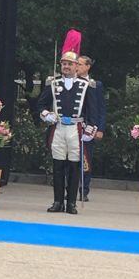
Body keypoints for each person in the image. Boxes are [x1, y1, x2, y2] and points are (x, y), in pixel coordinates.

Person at [35, 30, 98, 215]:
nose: (66, 67)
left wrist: (90, 130)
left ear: (76, 66)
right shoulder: (52, 83)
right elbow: (40, 104)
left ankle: (71, 203)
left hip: (77, 129)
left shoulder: (86, 85)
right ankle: (57, 201)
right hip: (59, 128)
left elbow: (92, 111)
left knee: (73, 167)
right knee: (58, 166)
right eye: (63, 64)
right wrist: (46, 114)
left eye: (69, 64)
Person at [75, 54, 106, 200]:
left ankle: (84, 190)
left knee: (86, 159)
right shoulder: (72, 82)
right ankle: (71, 188)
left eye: (80, 64)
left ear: (88, 66)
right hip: (74, 125)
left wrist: (100, 128)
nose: (78, 67)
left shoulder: (94, 85)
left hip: (89, 127)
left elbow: (101, 108)